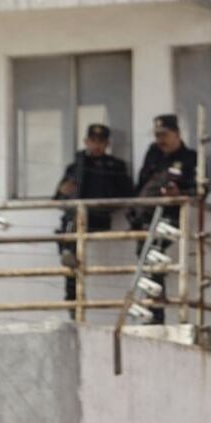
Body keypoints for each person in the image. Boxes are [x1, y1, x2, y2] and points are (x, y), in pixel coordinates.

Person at [54, 123, 132, 310]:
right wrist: (64, 191)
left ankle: (68, 252)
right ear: (86, 142)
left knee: (72, 233)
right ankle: (72, 297)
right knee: (70, 232)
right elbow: (58, 198)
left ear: (107, 144)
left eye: (101, 142)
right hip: (75, 220)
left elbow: (127, 194)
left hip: (99, 217)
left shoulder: (115, 166)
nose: (96, 146)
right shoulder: (75, 167)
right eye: (92, 141)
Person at [128, 114, 198, 324]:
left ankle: (156, 312)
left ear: (176, 134)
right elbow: (142, 182)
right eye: (157, 135)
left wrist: (178, 193)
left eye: (165, 135)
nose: (161, 140)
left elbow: (197, 189)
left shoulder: (189, 158)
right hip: (147, 215)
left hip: (171, 216)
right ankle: (152, 309)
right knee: (146, 255)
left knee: (154, 253)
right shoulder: (153, 154)